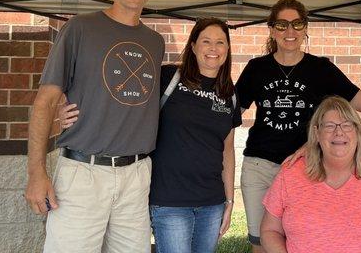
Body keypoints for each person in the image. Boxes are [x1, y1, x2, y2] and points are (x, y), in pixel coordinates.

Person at [24, 0, 164, 253]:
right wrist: (36, 172)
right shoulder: (80, 29)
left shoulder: (155, 43)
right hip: (83, 172)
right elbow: (45, 101)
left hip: (137, 175)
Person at [59, 17, 241, 253]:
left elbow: (227, 150)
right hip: (169, 201)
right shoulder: (168, 78)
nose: (213, 49)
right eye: (206, 41)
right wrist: (64, 107)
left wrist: (229, 201)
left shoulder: (230, 94)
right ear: (194, 46)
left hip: (212, 202)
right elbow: (119, 93)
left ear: (227, 49)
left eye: (220, 42)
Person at [236, 0, 361, 252]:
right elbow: (228, 115)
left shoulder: (321, 69)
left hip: (306, 167)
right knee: (261, 241)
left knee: (305, 239)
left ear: (306, 28)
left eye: (297, 24)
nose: (290, 32)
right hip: (259, 166)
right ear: (272, 30)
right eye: (282, 25)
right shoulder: (256, 68)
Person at [261, 96, 361, 253]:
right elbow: (270, 231)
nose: (339, 132)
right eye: (330, 126)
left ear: (359, 132)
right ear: (317, 133)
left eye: (347, 125)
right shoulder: (290, 174)